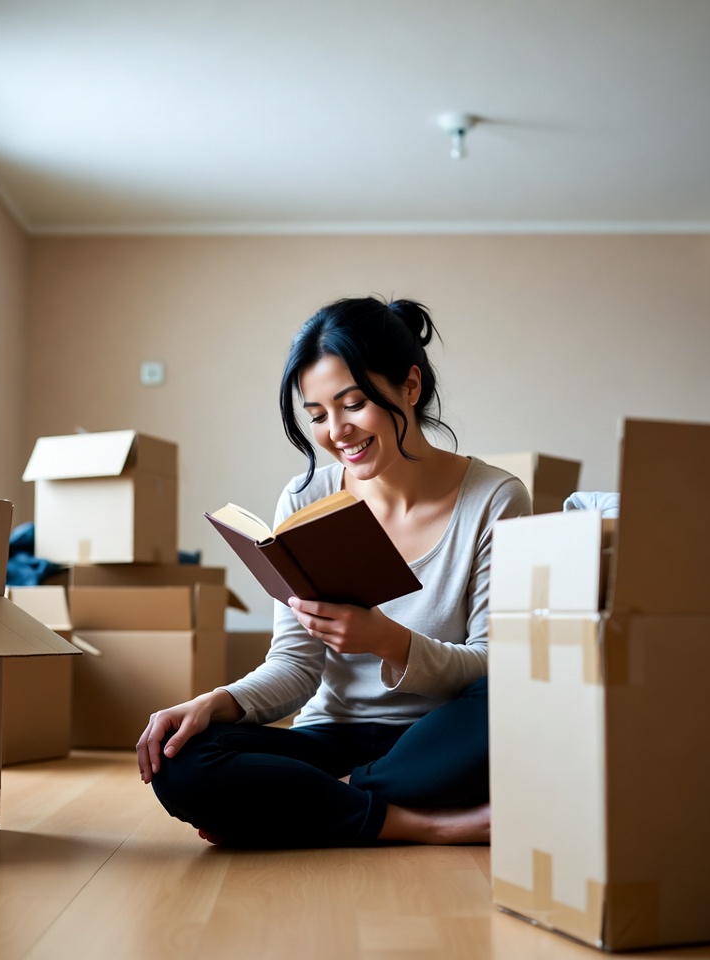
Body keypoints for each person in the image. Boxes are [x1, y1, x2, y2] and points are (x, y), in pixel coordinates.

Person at [137, 295, 531, 847]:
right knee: (184, 759)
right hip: (333, 737)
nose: (336, 431)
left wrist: (389, 641)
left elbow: (494, 664)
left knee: (515, 700)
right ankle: (425, 823)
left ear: (410, 387)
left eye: (353, 404)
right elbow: (294, 666)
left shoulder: (494, 497)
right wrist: (214, 702)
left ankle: (318, 803)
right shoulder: (306, 499)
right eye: (318, 415)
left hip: (439, 741)